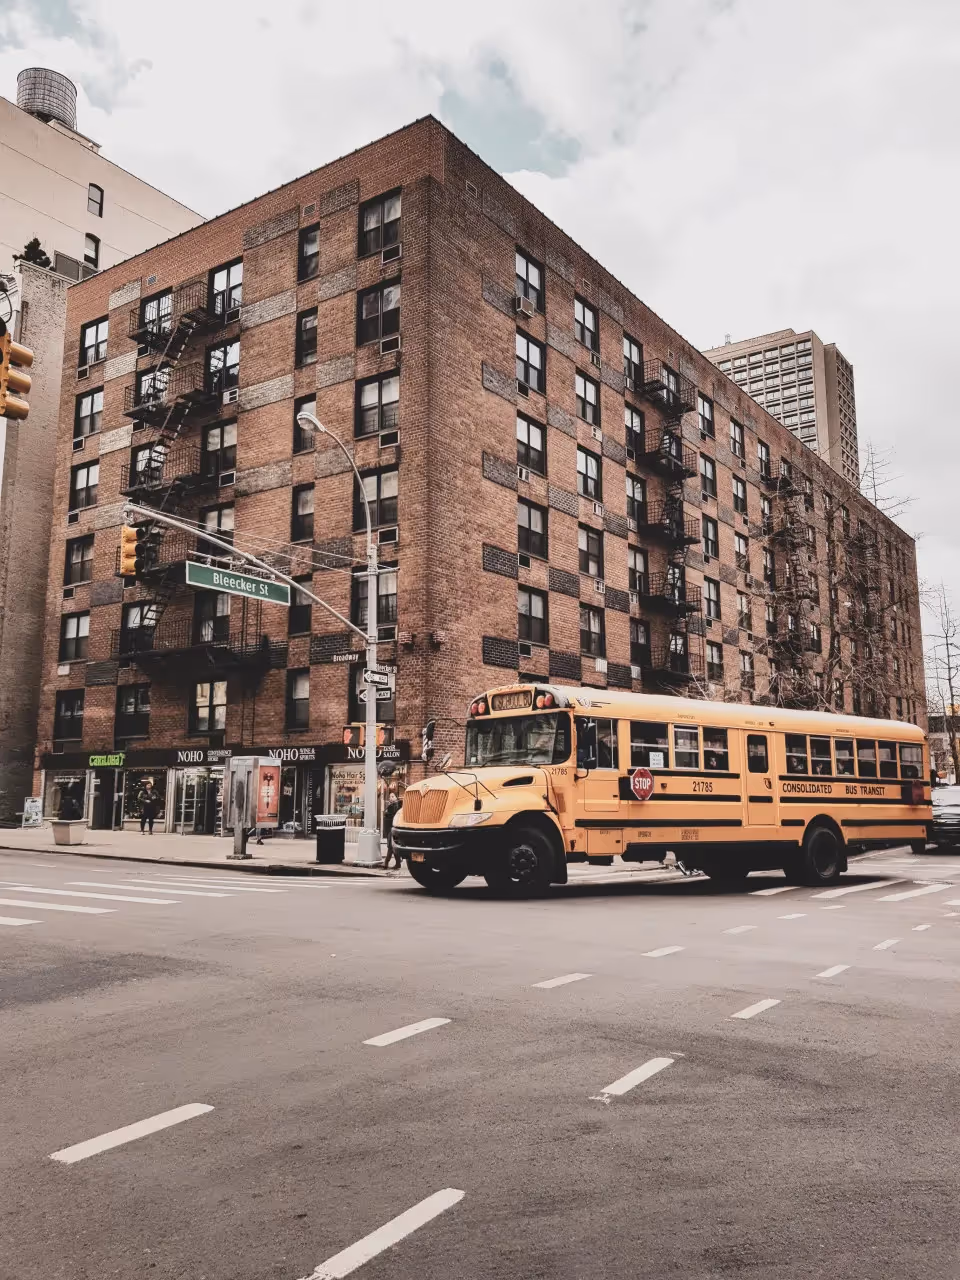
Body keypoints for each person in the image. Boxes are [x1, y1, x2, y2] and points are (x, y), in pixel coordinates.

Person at [382, 785, 402, 869]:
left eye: (393, 796)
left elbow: (391, 816)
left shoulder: (395, 805)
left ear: (396, 798)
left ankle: (386, 862)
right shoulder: (391, 805)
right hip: (389, 829)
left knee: (391, 846)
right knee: (392, 846)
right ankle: (398, 863)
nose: (391, 798)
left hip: (392, 828)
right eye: (390, 796)